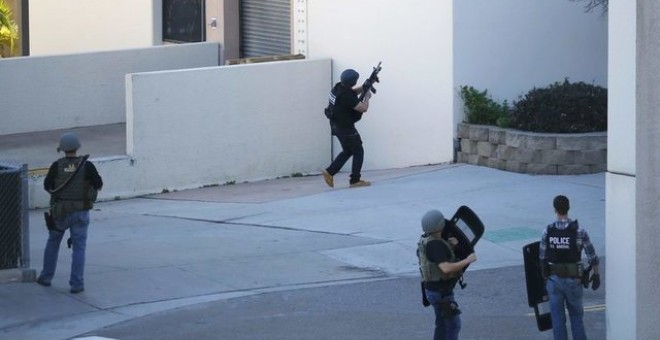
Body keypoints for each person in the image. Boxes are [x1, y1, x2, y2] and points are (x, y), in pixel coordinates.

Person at [37, 132, 103, 294]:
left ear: (62, 149)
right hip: (81, 212)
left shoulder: (56, 166)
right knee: (79, 248)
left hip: (60, 212)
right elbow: (99, 185)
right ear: (77, 147)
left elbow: (47, 186)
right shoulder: (87, 166)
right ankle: (77, 284)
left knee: (52, 243)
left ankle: (46, 277)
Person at [539, 195, 600, 340]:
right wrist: (596, 274)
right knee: (577, 319)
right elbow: (592, 257)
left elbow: (542, 259)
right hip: (574, 280)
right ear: (569, 208)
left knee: (558, 321)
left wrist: (546, 279)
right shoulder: (579, 231)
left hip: (554, 281)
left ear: (555, 209)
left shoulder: (547, 231)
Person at [417, 209, 477, 340]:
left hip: (432, 290)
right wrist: (467, 260)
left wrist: (451, 246)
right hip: (441, 293)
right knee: (454, 325)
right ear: (440, 225)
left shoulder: (427, 240)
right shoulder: (436, 245)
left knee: (442, 324)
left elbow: (435, 260)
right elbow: (445, 268)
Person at [321, 68, 373, 188]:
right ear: (353, 81)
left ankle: (329, 172)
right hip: (345, 128)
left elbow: (352, 92)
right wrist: (367, 97)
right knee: (358, 151)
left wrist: (364, 86)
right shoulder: (346, 96)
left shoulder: (338, 88)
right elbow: (363, 108)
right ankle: (355, 180)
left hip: (337, 126)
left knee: (348, 151)